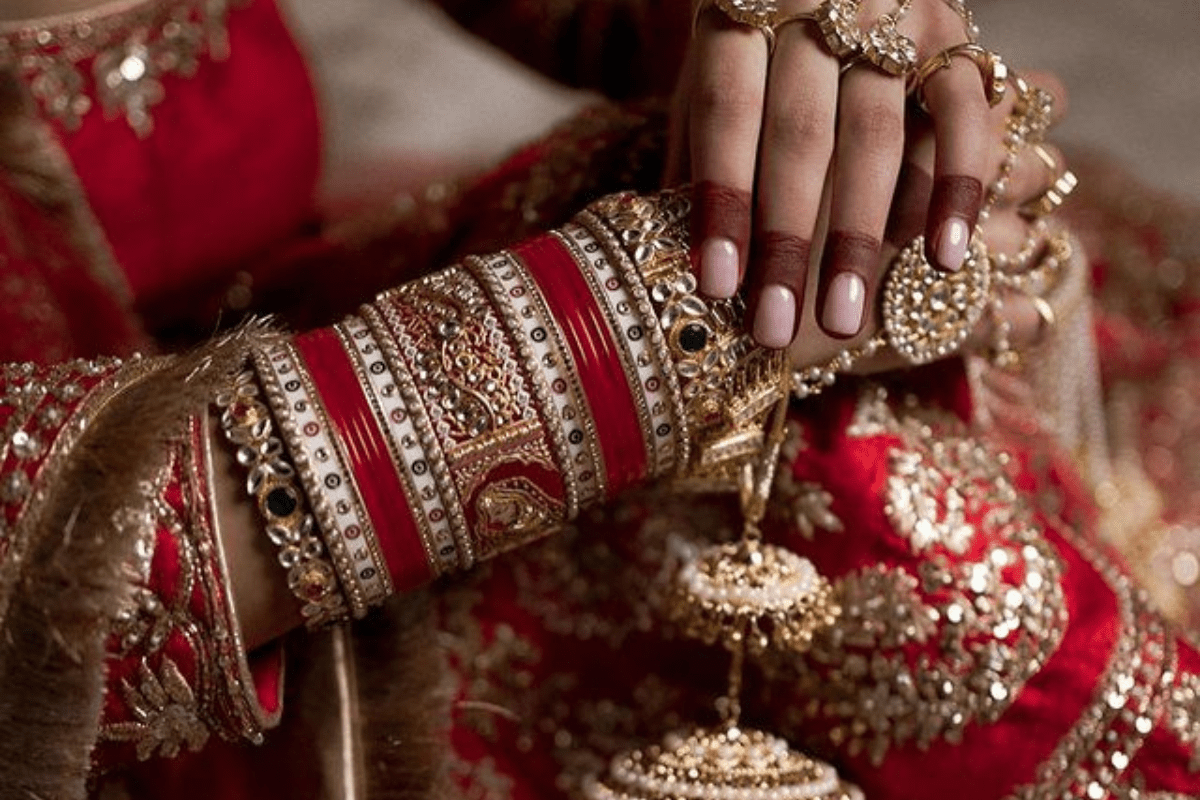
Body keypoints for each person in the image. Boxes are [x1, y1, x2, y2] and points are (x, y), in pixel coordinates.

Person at [0, 1, 1197, 799]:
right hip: (136, 606)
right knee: (831, 480)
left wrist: (787, 52)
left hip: (266, 303)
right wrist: (634, 325)